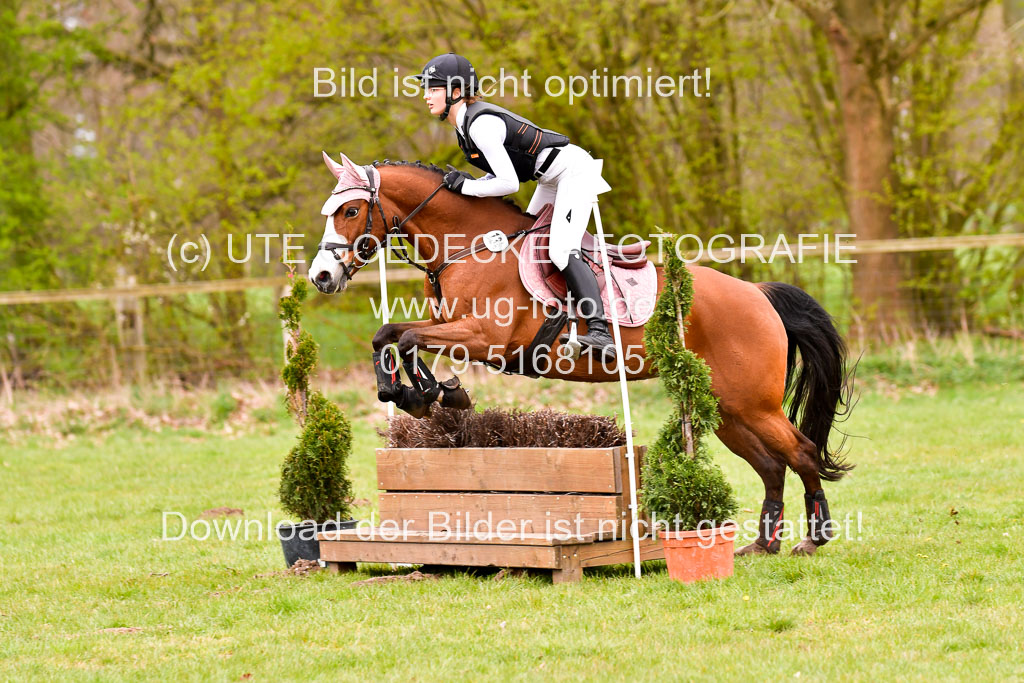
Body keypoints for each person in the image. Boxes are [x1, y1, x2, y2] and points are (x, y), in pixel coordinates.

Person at [414, 52, 616, 361]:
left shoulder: (480, 125)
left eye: (433, 88)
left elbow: (508, 184)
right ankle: (548, 316)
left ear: (456, 91)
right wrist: (472, 183)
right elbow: (499, 174)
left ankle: (600, 332)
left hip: (572, 172)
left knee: (561, 250)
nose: (426, 96)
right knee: (524, 240)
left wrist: (467, 186)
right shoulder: (463, 125)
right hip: (548, 178)